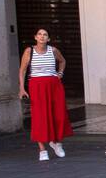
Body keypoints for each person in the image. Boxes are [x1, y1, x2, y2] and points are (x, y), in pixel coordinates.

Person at [17, 28, 72, 161]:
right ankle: (42, 149)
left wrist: (60, 74)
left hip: (54, 85)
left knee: (59, 114)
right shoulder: (29, 51)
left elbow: (62, 61)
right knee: (40, 116)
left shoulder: (53, 50)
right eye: (40, 34)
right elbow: (23, 70)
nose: (42, 37)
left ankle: (57, 142)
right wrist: (22, 88)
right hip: (37, 85)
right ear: (35, 37)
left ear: (49, 39)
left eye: (45, 35)